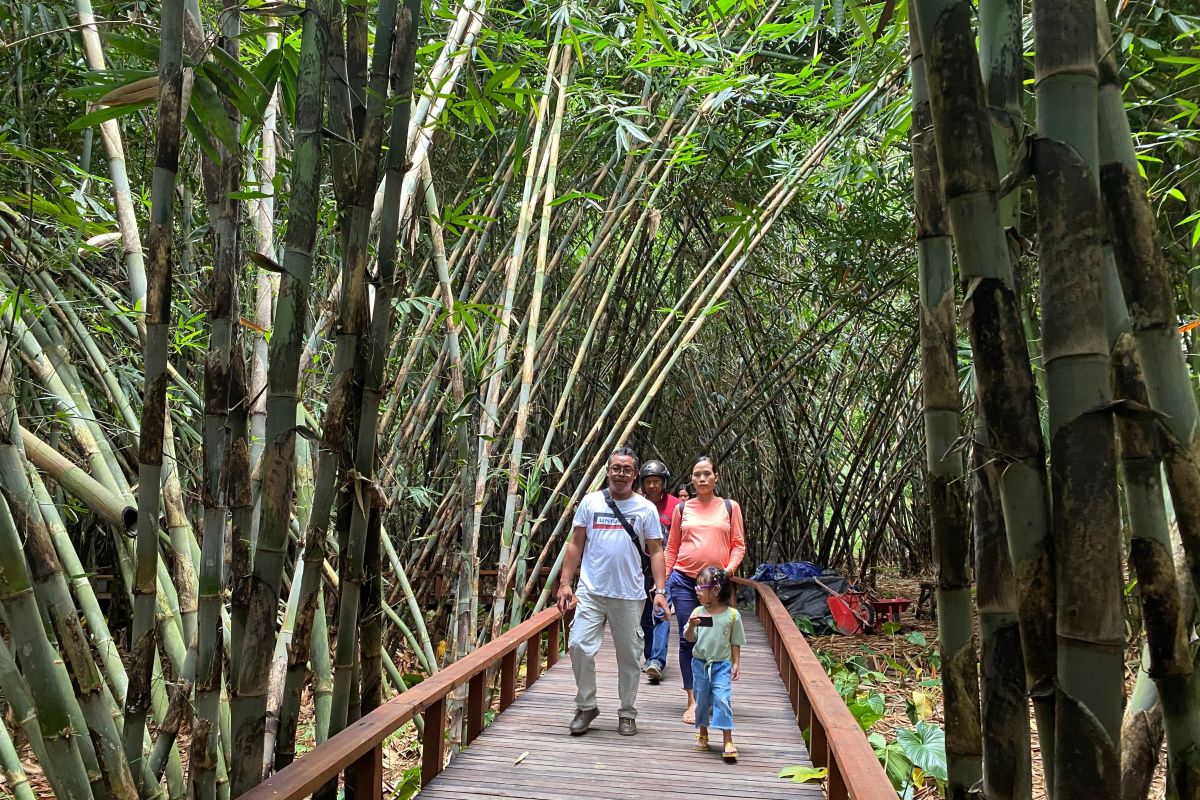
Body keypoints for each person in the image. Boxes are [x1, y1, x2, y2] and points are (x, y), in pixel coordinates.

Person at [557, 447, 669, 736]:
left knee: (630, 657)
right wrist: (565, 583)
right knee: (579, 645)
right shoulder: (591, 502)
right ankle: (586, 705)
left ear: (635, 475)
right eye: (616, 468)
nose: (621, 474)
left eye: (627, 469)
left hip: (630, 594)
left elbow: (656, 550)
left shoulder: (644, 509)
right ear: (608, 471)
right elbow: (575, 544)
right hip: (592, 591)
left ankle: (627, 712)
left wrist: (660, 590)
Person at [666, 455, 745, 724]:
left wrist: (728, 571)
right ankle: (693, 700)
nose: (702, 478)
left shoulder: (730, 507)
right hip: (686, 582)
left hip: (718, 585)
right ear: (691, 478)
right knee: (690, 637)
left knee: (716, 637)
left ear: (716, 477)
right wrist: (661, 584)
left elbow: (738, 544)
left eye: (707, 474)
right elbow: (672, 548)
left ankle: (717, 689)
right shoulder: (681, 509)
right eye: (697, 474)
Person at [685, 566, 745, 762]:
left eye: (701, 587)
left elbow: (735, 641)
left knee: (722, 699)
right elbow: (688, 638)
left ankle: (728, 739)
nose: (697, 591)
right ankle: (703, 733)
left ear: (716, 589)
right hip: (700, 664)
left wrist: (736, 662)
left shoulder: (732, 615)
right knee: (701, 700)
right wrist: (692, 626)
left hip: (721, 665)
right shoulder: (697, 612)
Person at [638, 459, 681, 683]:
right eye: (648, 482)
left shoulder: (676, 505)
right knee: (645, 616)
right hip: (641, 568)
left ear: (663, 482)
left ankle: (657, 660)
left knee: (661, 611)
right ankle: (649, 657)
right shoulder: (635, 503)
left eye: (656, 481)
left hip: (667, 568)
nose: (652, 486)